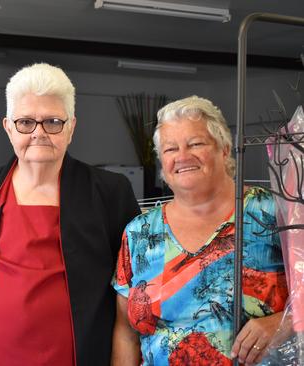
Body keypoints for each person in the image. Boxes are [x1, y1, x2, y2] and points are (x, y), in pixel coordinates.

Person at [0, 63, 140, 366]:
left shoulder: (110, 193)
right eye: (26, 122)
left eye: (53, 121)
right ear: (8, 127)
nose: (39, 133)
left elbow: (132, 296)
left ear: (71, 127)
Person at [111, 96, 289, 365]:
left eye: (196, 144)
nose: (182, 156)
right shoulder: (140, 234)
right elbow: (126, 333)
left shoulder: (273, 214)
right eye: (171, 149)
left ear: (225, 149)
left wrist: (284, 322)